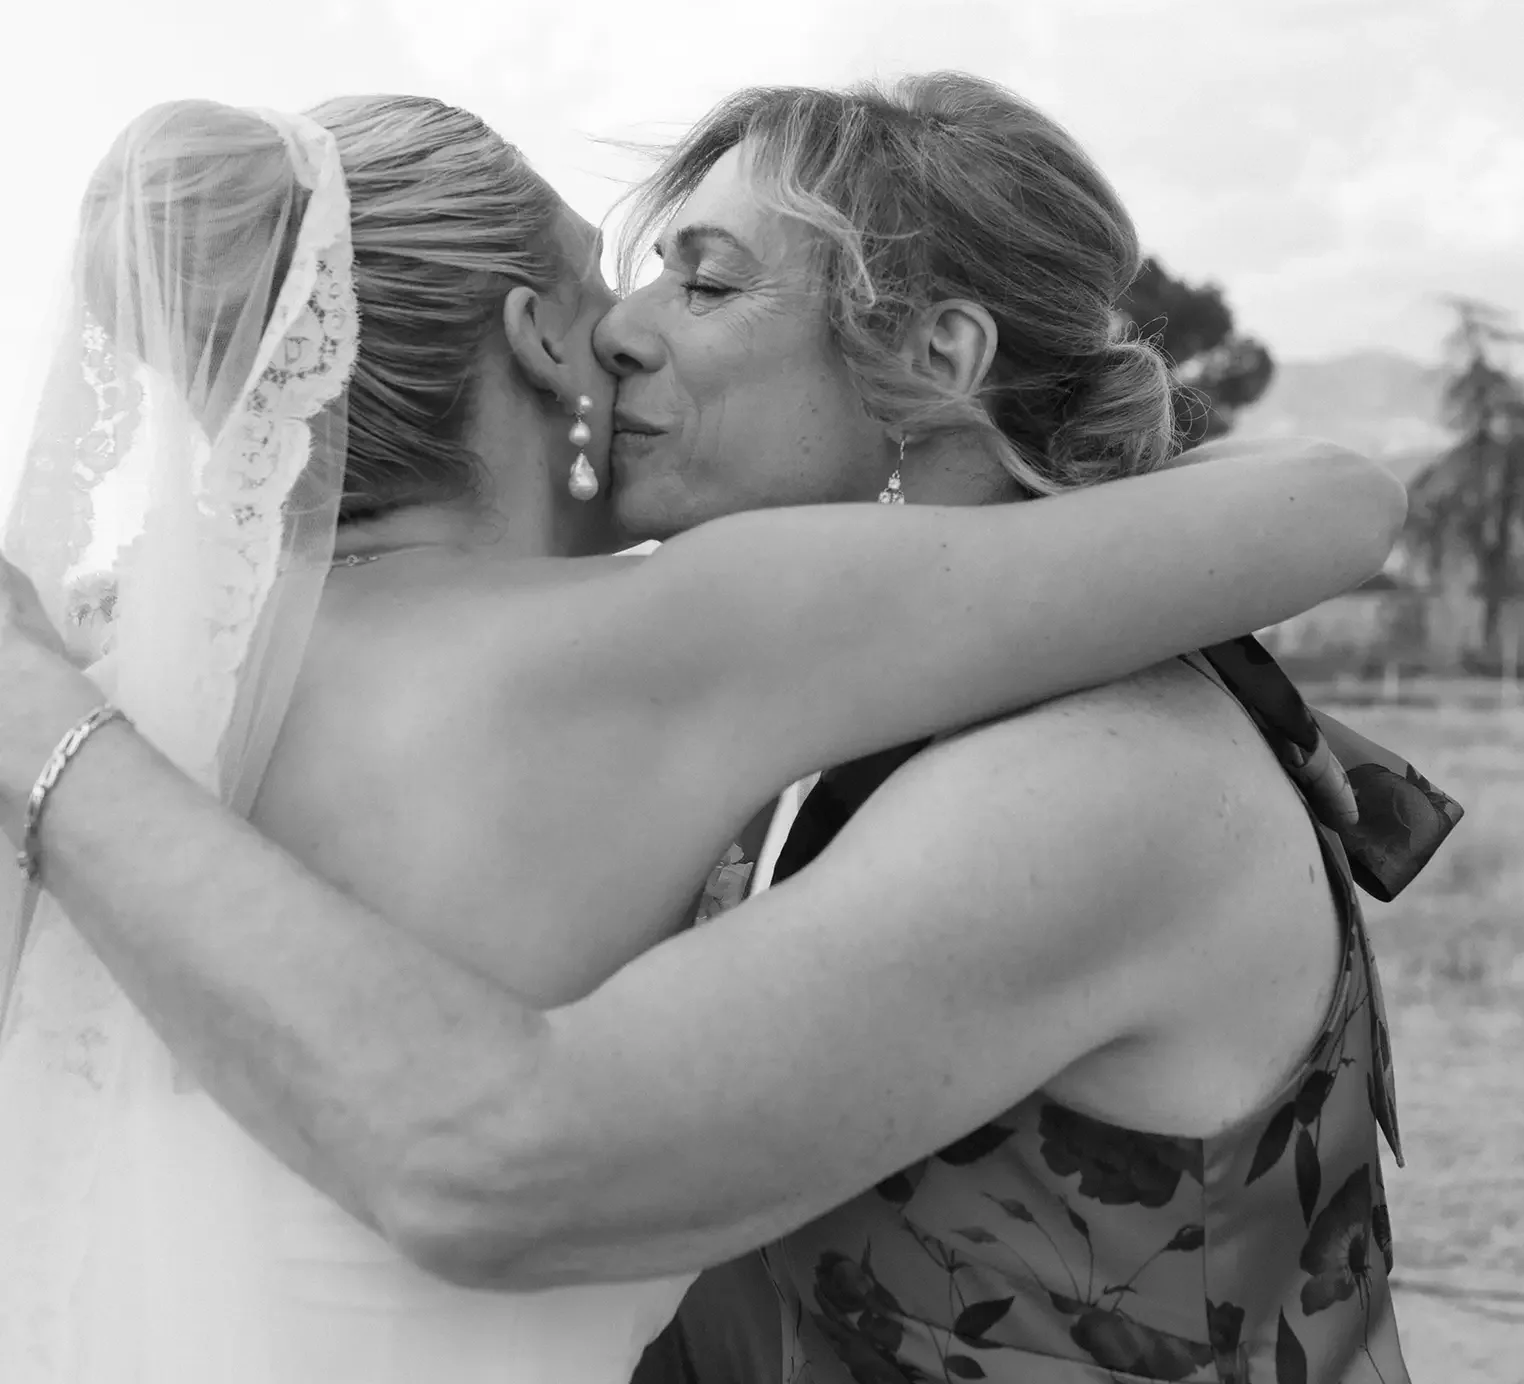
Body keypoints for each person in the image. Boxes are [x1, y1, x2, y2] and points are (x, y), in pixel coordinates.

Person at [0, 79, 1436, 1383]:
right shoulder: (727, 698)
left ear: (935, 356)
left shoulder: (1094, 774)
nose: (623, 330)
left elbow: (510, 1165)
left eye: (705, 279)